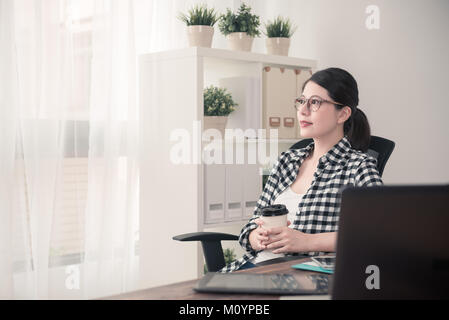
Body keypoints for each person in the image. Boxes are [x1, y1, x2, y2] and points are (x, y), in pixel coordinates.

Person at [221, 67, 383, 273]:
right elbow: (251, 226)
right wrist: (256, 237)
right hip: (254, 268)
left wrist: (306, 241)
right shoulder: (287, 160)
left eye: (315, 102)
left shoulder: (358, 166)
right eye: (301, 101)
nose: (303, 110)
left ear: (343, 113)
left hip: (300, 277)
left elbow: (378, 233)